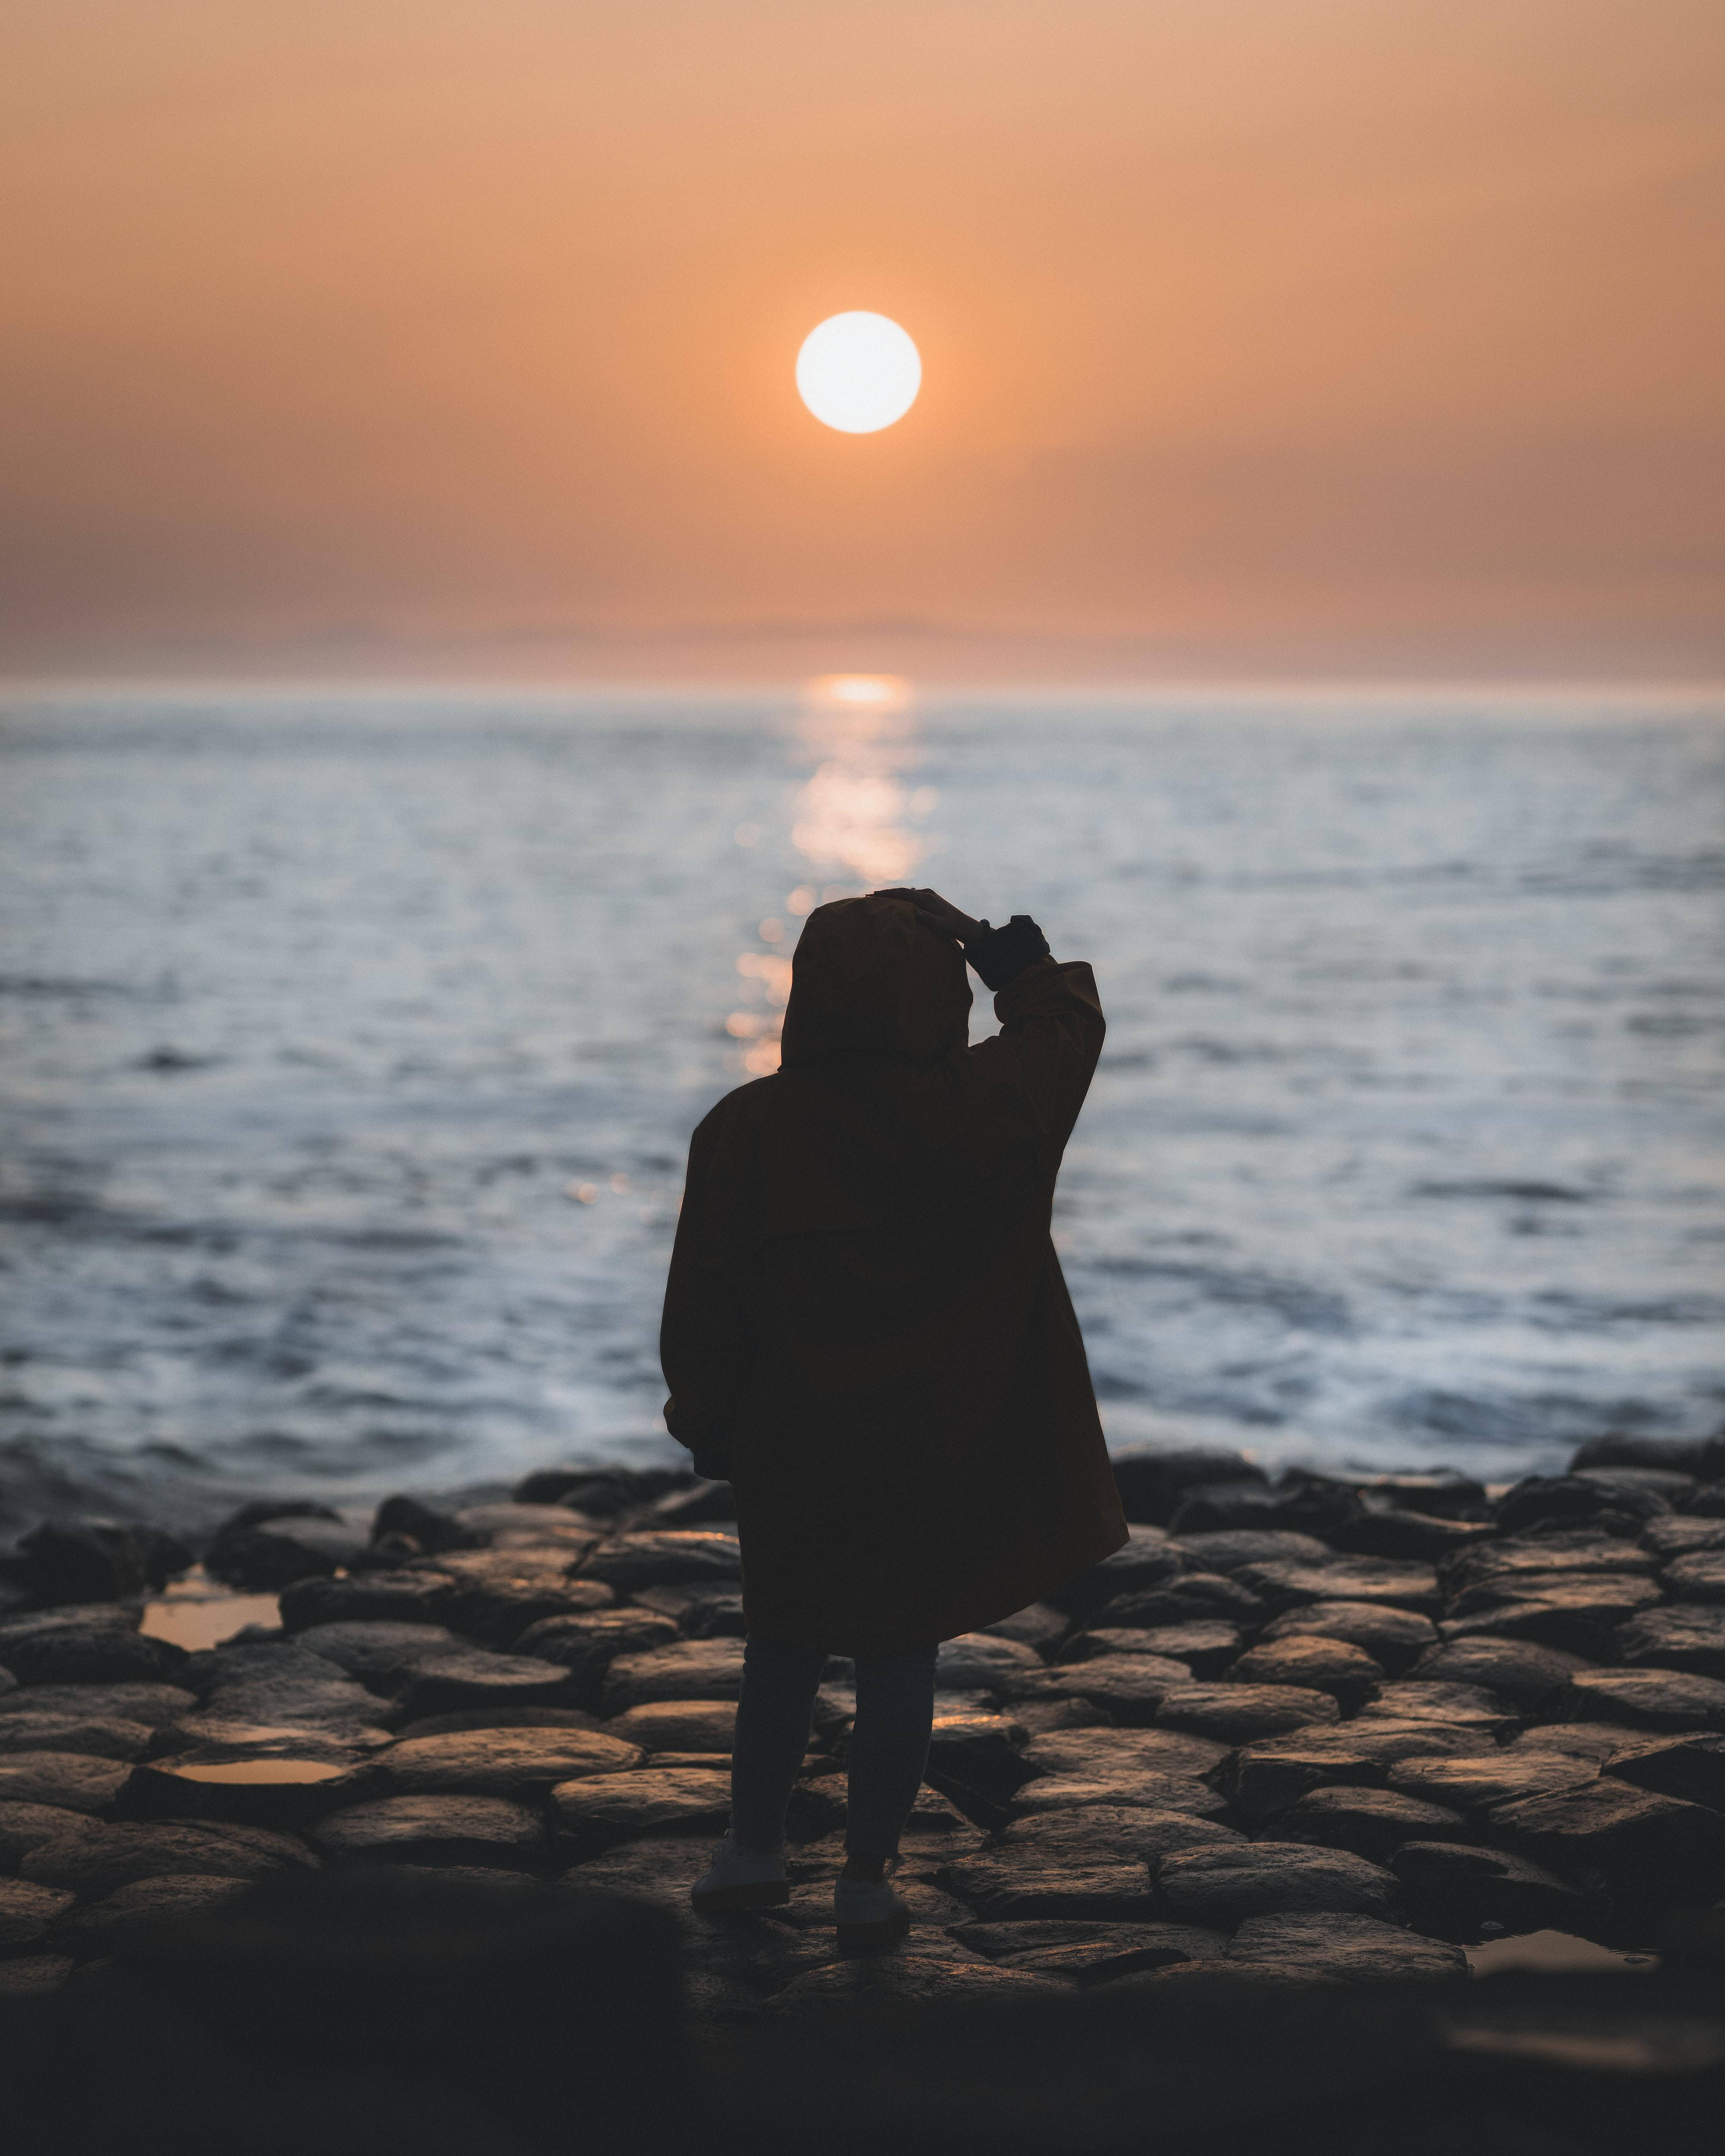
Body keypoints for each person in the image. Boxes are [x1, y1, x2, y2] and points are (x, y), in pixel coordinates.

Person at [659, 887, 1126, 1946]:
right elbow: (1064, 1037)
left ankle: (751, 1852)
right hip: (935, 1435)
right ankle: (866, 1876)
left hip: (791, 1440)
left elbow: (703, 1298)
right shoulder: (978, 1104)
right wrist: (1018, 968)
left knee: (780, 1647)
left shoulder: (745, 1131)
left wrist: (705, 1417)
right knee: (898, 1655)